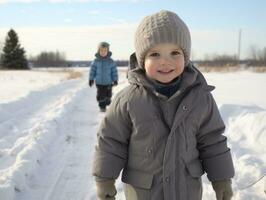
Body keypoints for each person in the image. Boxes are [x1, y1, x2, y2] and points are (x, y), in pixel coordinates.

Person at [92, 10, 234, 200]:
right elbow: (111, 141)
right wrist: (104, 179)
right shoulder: (128, 100)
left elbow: (212, 140)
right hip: (144, 192)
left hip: (186, 191)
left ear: (186, 57)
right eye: (155, 54)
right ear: (142, 60)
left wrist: (222, 178)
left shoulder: (200, 98)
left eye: (175, 52)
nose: (165, 61)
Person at [88, 41, 118, 112]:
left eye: (105, 51)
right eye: (101, 51)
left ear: (108, 51)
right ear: (98, 51)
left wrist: (115, 80)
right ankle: (102, 106)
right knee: (100, 95)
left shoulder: (110, 61)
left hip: (108, 82)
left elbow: (114, 72)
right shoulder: (96, 61)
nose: (103, 52)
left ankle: (107, 100)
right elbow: (92, 71)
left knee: (108, 94)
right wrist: (91, 79)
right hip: (99, 82)